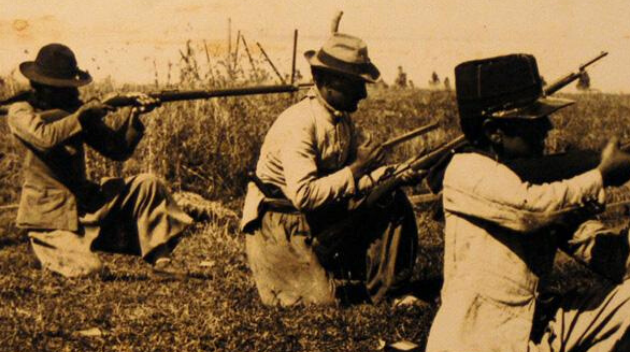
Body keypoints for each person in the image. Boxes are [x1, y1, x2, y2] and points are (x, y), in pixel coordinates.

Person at [426, 54, 630, 352]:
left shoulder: (537, 184)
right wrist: (601, 176)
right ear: (493, 132)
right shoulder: (464, 170)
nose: (547, 128)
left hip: (532, 328)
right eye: (532, 122)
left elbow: (599, 248)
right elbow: (530, 210)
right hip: (480, 340)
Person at [241, 32, 420, 306]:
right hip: (280, 221)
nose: (363, 93)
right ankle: (327, 270)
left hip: (319, 215)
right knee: (322, 301)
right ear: (326, 82)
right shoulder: (300, 122)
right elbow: (304, 195)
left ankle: (387, 291)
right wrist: (358, 168)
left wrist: (393, 174)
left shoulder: (342, 121)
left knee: (391, 197)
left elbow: (351, 182)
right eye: (355, 84)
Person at [8, 43, 193, 278]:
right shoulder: (21, 111)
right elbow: (45, 138)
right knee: (90, 270)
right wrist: (82, 117)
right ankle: (45, 251)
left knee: (148, 184)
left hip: (85, 206)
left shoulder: (76, 113)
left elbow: (117, 150)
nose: (68, 93)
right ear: (42, 86)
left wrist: (133, 117)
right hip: (50, 217)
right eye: (59, 88)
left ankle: (162, 261)